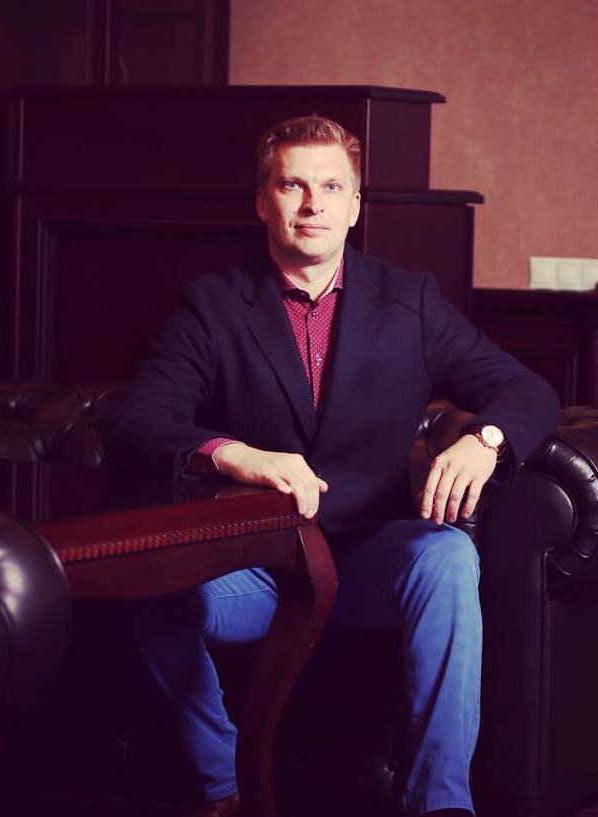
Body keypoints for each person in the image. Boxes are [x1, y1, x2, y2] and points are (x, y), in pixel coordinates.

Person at [106, 114, 560, 817]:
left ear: (354, 206)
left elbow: (527, 390)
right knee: (148, 588)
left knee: (447, 557)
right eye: (292, 185)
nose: (312, 204)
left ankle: (440, 804)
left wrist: (487, 438)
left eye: (331, 187)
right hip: (255, 565)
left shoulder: (411, 302)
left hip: (369, 558)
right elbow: (138, 419)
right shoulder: (211, 305)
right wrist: (235, 454)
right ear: (263, 201)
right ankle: (223, 787)